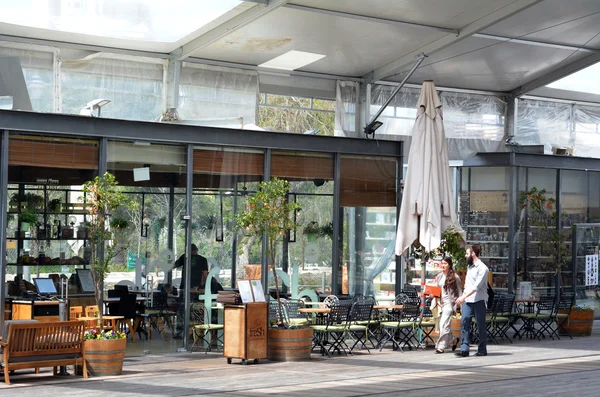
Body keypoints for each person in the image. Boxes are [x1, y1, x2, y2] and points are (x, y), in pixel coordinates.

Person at [455, 245, 489, 357]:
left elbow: (476, 287)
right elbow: (467, 285)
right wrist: (463, 297)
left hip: (479, 300)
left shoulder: (482, 268)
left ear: (473, 253)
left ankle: (482, 349)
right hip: (468, 300)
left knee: (480, 325)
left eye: (467, 253)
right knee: (465, 322)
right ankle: (464, 349)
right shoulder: (470, 267)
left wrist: (462, 298)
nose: (465, 256)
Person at [430, 257, 462, 354]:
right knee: (445, 326)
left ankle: (440, 347)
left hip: (449, 304)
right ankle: (454, 340)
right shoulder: (439, 276)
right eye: (442, 263)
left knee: (443, 324)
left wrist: (460, 304)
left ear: (450, 265)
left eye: (445, 264)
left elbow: (460, 291)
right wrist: (432, 294)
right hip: (440, 303)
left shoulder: (455, 277)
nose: (443, 265)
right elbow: (437, 290)